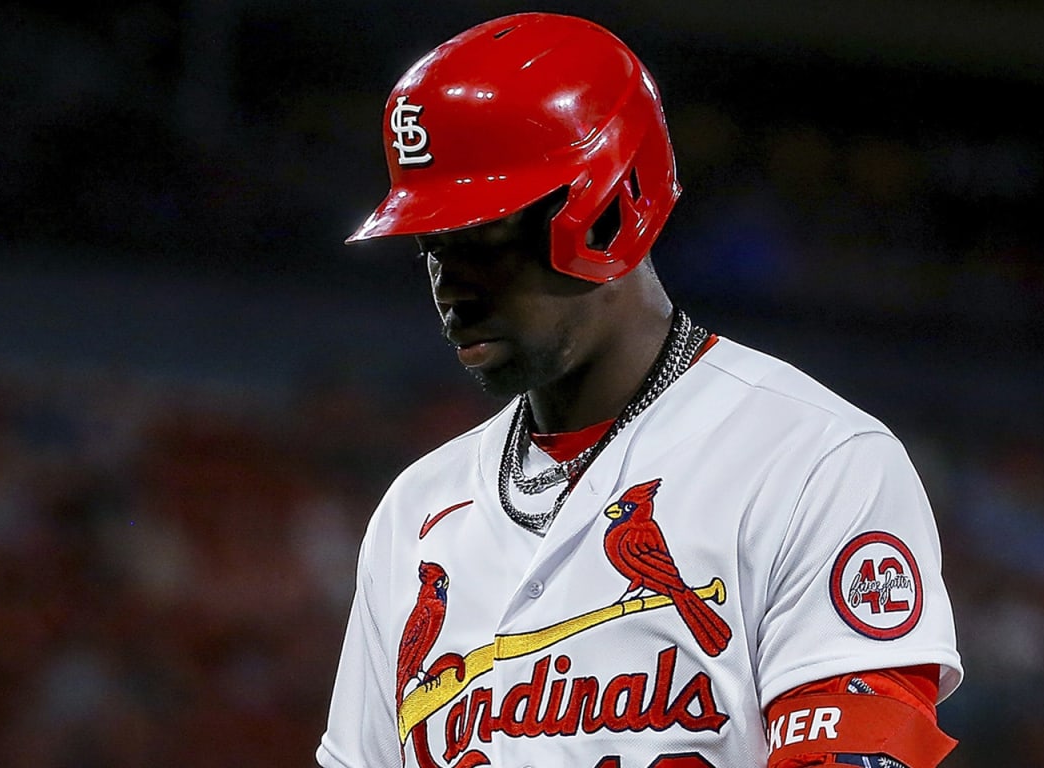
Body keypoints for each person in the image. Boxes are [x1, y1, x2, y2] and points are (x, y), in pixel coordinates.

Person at [318, 12, 962, 768]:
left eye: (482, 239)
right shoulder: (415, 513)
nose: (448, 286)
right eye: (430, 245)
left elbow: (861, 751)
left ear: (608, 208)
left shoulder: (812, 460)